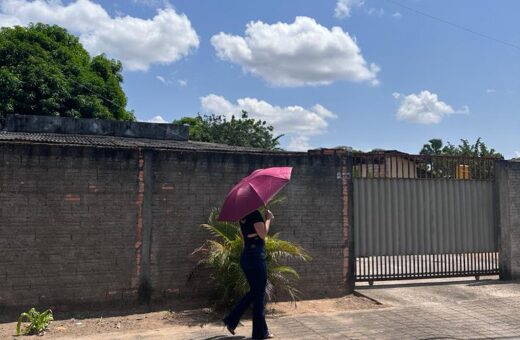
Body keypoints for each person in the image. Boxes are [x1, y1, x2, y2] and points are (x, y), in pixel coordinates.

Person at [223, 208, 275, 339]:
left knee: (255, 292)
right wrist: (268, 219)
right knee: (259, 295)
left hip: (246, 256)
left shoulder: (243, 215)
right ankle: (259, 333)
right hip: (256, 257)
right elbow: (263, 234)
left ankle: (231, 320)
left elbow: (244, 236)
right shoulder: (255, 214)